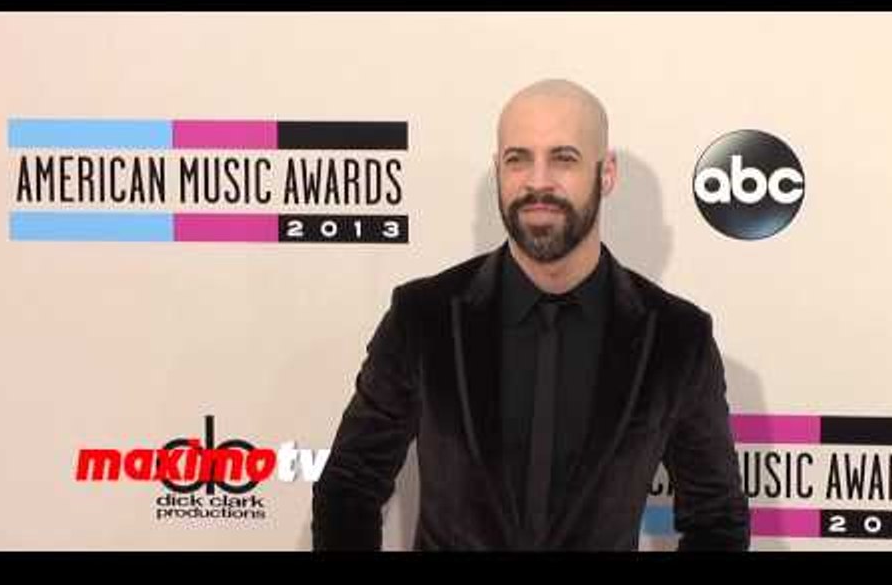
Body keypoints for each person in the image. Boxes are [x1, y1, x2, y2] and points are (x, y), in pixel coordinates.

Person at [312, 79, 750, 551]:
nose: (538, 182)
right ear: (498, 170)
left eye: (563, 158)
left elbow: (716, 518)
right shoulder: (423, 318)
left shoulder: (676, 338)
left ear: (606, 174)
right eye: (518, 159)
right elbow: (349, 486)